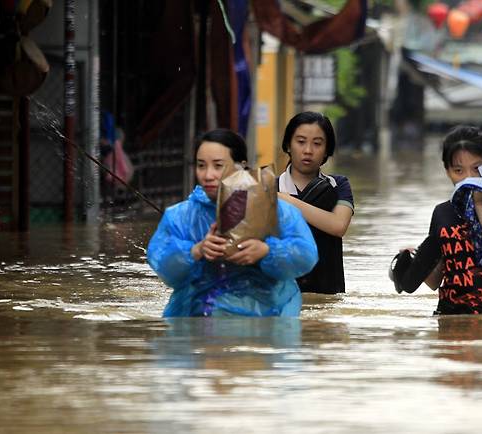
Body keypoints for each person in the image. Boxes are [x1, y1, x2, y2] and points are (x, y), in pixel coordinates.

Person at [147, 129, 318, 317]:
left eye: (218, 166)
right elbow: (162, 265)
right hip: (196, 319)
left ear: (241, 166)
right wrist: (197, 251)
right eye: (201, 165)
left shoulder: (278, 211)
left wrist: (267, 251)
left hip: (267, 323)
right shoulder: (180, 216)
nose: (208, 175)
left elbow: (306, 256)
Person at [392, 125, 482, 315]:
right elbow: (435, 281)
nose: (468, 177)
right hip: (450, 319)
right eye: (458, 170)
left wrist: (479, 206)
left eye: (476, 168)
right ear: (447, 171)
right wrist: (413, 259)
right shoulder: (443, 213)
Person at [276, 112, 354, 294]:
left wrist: (287, 200)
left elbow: (338, 225)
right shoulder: (268, 187)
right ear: (288, 144)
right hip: (281, 297)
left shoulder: (338, 185)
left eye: (317, 143)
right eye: (301, 142)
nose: (308, 150)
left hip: (327, 295)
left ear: (327, 150)